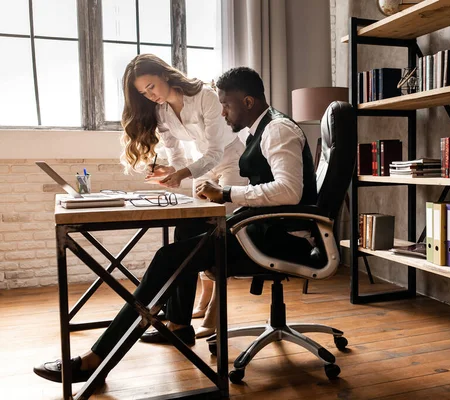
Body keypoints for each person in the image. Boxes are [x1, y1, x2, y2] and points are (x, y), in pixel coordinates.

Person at [33, 66, 318, 384]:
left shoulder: (278, 130)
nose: (222, 113)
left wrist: (225, 193)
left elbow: (289, 191)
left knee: (168, 258)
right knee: (182, 239)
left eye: (227, 105)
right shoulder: (260, 130)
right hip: (261, 230)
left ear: (249, 101)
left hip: (279, 239)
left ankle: (96, 360)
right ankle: (172, 329)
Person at [121, 54, 248, 337]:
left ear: (165, 75)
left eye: (151, 87)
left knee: (218, 234)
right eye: (143, 93)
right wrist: (171, 170)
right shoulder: (162, 111)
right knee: (189, 233)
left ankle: (214, 310)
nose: (149, 95)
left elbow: (215, 151)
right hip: (202, 168)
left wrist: (182, 174)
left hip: (231, 163)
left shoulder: (205, 96)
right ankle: (183, 319)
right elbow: (177, 155)